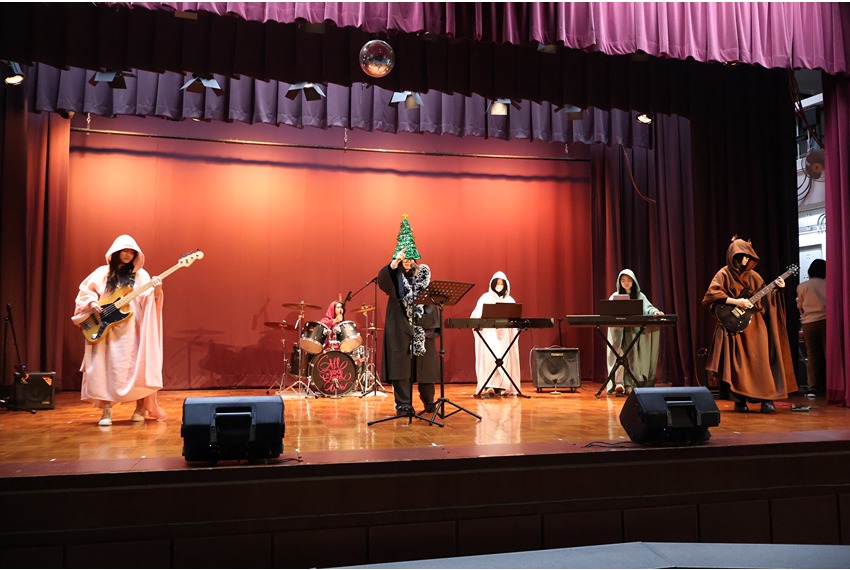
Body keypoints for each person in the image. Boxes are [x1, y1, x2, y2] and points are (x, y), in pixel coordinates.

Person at [71, 235, 167, 426]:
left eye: (132, 252)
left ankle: (140, 408)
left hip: (133, 330)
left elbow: (148, 299)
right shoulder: (102, 273)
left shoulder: (141, 275)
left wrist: (157, 290)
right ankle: (107, 410)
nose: (128, 255)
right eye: (125, 251)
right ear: (116, 252)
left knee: (137, 368)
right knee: (105, 368)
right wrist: (92, 303)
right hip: (107, 329)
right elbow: (85, 293)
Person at [702, 237, 798, 413]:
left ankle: (766, 399)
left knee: (761, 360)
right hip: (734, 326)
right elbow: (711, 295)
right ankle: (739, 401)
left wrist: (779, 289)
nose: (746, 259)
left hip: (755, 325)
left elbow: (765, 299)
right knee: (737, 365)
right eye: (743, 255)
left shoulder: (754, 276)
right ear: (734, 256)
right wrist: (736, 302)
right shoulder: (723, 274)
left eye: (749, 256)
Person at [377, 234, 439, 417]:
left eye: (411, 258)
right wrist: (394, 263)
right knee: (401, 368)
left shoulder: (422, 278)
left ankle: (429, 401)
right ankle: (403, 405)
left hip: (421, 328)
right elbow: (383, 282)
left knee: (425, 369)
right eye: (405, 258)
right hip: (400, 328)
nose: (408, 261)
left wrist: (425, 325)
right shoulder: (394, 277)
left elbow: (430, 303)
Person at [606, 269, 664, 395]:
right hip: (618, 333)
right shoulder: (614, 296)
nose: (626, 283)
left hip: (632, 332)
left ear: (633, 282)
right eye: (623, 280)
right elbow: (607, 310)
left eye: (628, 280)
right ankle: (619, 383)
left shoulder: (639, 296)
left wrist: (655, 312)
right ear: (619, 282)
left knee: (633, 357)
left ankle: (631, 384)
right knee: (619, 355)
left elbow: (648, 307)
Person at [470, 271, 520, 398]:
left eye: (501, 283)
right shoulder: (485, 298)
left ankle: (503, 386)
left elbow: (515, 319)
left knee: (505, 359)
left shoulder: (510, 300)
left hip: (505, 337)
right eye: (497, 283)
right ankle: (489, 386)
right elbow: (475, 316)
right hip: (489, 336)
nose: (499, 286)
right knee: (489, 360)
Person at [796, 258, 826, 398]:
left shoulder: (802, 286)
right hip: (826, 321)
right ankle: (831, 386)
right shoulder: (829, 284)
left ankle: (812, 388)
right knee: (829, 354)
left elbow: (800, 306)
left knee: (812, 355)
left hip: (808, 323)